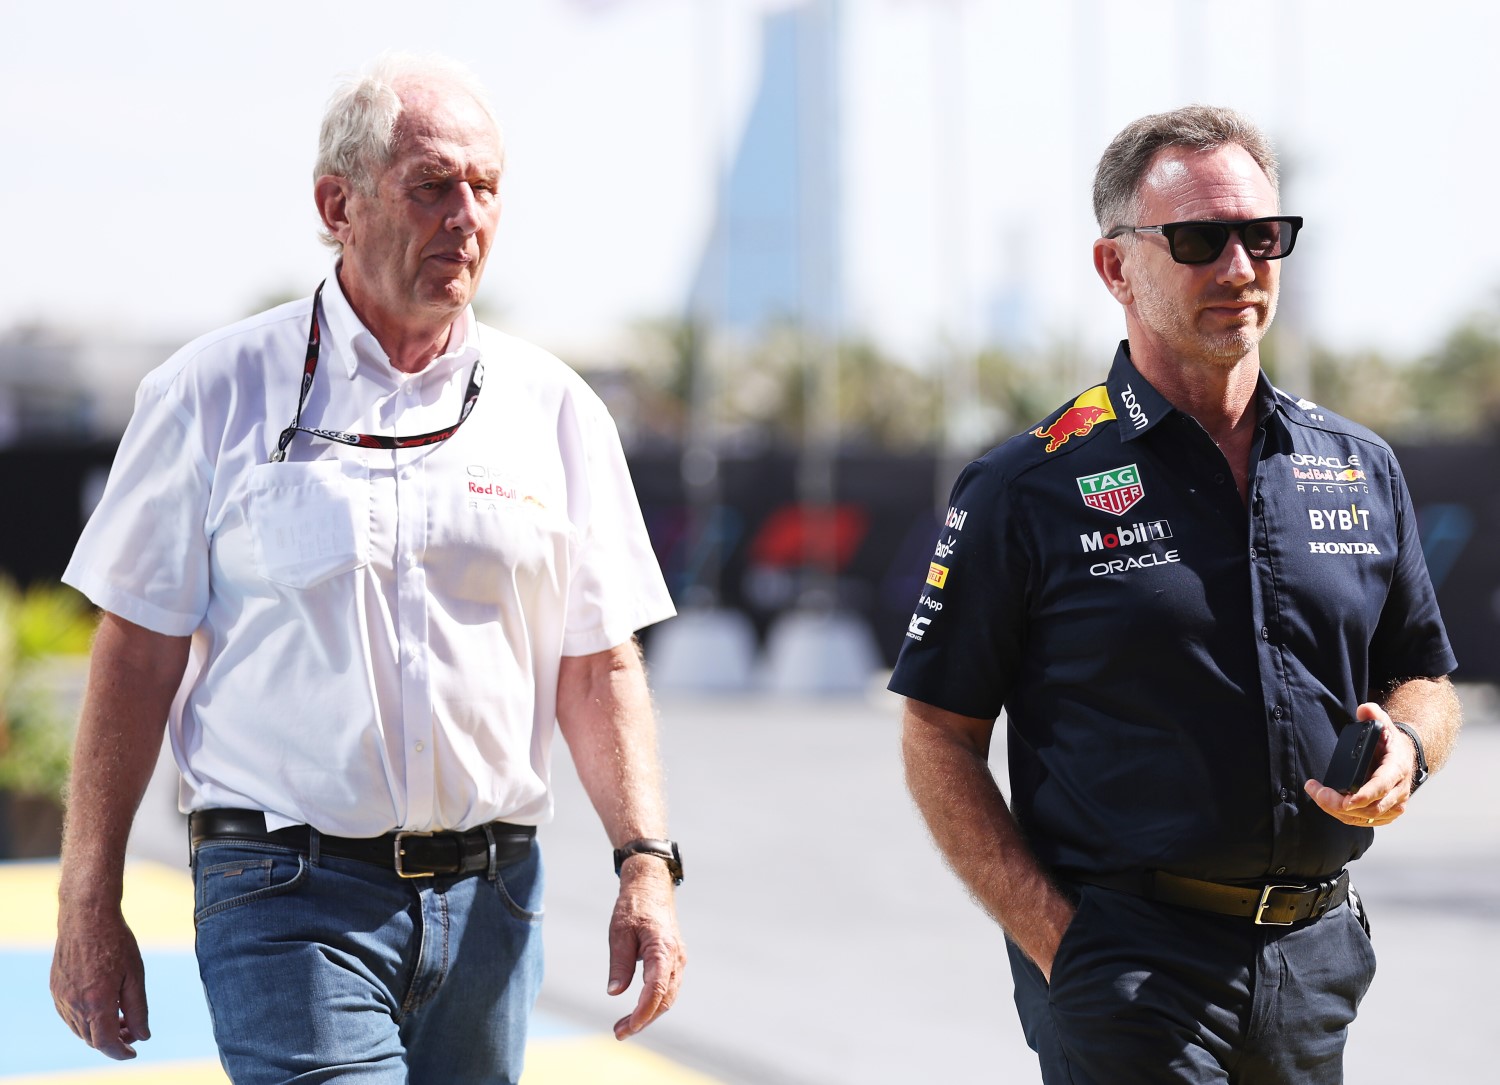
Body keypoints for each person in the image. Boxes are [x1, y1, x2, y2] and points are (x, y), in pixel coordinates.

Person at [49, 53, 685, 1084]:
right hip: (283, 888)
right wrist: (88, 895)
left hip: (494, 901)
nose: (466, 216)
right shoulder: (210, 393)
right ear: (336, 202)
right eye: (433, 185)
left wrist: (647, 865)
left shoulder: (554, 407)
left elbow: (598, 664)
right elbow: (135, 655)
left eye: (485, 188)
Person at [890, 105, 1461, 1085]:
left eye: (1263, 236)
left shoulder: (1357, 465)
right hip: (1128, 964)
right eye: (1198, 240)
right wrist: (1058, 940)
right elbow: (936, 734)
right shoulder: (1025, 485)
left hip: (1316, 958)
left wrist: (1409, 745)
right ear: (1115, 267)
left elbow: (1426, 675)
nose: (1239, 267)